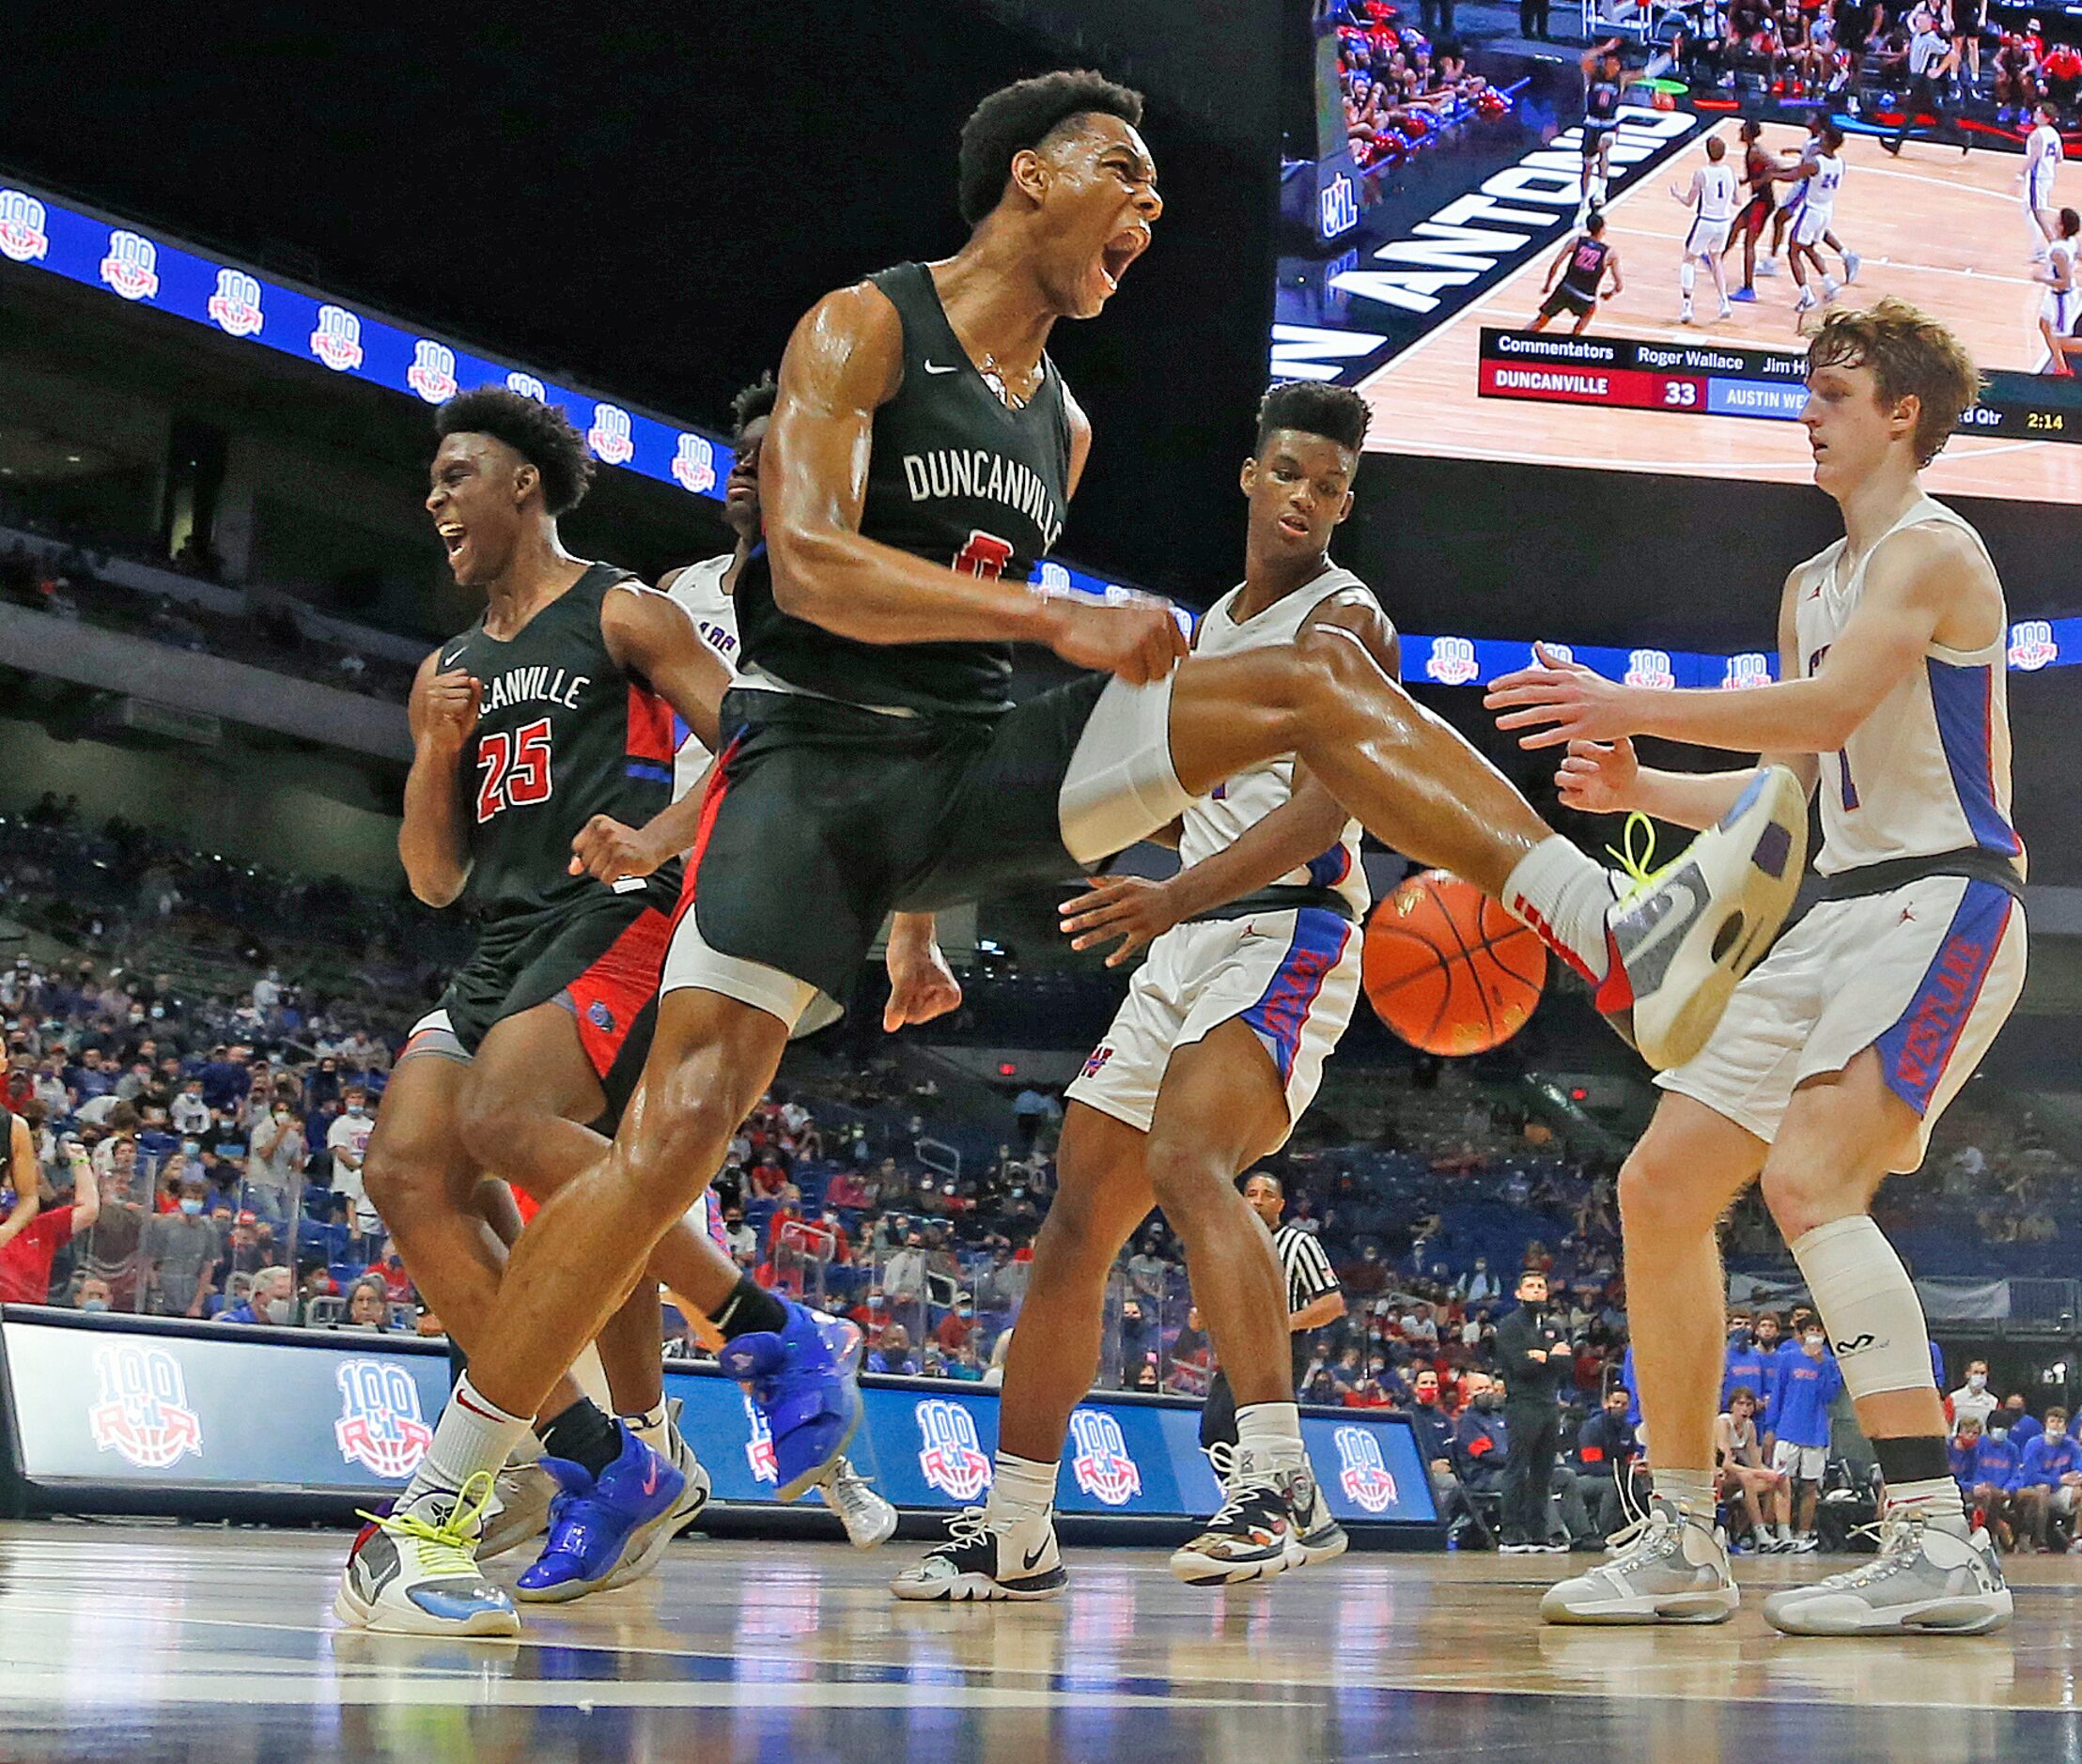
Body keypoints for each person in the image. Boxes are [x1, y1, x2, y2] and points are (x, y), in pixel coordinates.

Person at [392, 68, 1804, 1637]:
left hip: (966, 768)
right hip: (806, 771)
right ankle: (433, 1516)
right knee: (671, 1149)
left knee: (1319, 683)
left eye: (1153, 189)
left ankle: (1607, 924)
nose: (1146, 207)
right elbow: (806, 561)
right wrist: (1047, 619)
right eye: (1118, 172)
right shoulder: (863, 325)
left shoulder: (1059, 422)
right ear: (1022, 179)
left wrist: (925, 913)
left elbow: (986, 667)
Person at [1509, 299, 2023, 1634]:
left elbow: (1828, 710)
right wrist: (1637, 782)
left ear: (1902, 414)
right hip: (1835, 904)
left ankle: (1934, 1538)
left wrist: (1626, 698)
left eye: (1834, 391)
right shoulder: (1809, 585)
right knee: (1663, 1184)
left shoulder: (1934, 553)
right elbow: (1788, 788)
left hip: (1944, 897)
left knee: (1806, 1179)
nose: (1809, 409)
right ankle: (1682, 1534)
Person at [898, 385, 1389, 1599]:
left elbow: (1329, 806)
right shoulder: (1212, 624)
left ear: (1344, 501)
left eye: (1329, 485)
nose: (1305, 497)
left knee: (1188, 1160)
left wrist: (1172, 890)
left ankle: (1277, 1483)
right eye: (1289, 472)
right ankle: (1016, 1526)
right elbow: (1167, 785)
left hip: (1291, 926)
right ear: (1250, 476)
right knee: (1075, 1220)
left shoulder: (1352, 622)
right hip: (1185, 938)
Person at [335, 389, 744, 1637]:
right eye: (433, 480)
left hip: (604, 928)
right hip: (498, 940)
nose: (437, 498)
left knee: (524, 1138)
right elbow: (431, 874)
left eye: (458, 474)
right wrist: (425, 748)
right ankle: (592, 1446)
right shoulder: (447, 668)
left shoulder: (622, 606)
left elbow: (752, 736)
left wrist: (666, 838)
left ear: (524, 484)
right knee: (404, 1170)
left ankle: (750, 1324)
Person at [1495, 1270, 1568, 1554]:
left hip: (1549, 1404)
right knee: (1517, 1469)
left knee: (1543, 1471)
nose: (1536, 1291)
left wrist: (1542, 1356)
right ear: (1518, 1293)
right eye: (1530, 1286)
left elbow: (1567, 1365)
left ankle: (1538, 1534)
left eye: (1541, 1286)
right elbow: (1521, 1366)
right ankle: (1511, 1534)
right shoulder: (1509, 1326)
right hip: (1523, 1404)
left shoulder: (1553, 1325)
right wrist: (1551, 1356)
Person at [0, 1136, 95, 1305]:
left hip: (25, 1321)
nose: (9, 1188)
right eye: (6, 1181)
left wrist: (80, 1160)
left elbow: (89, 1209)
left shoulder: (40, 1228)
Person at [1672, 135, 1739, 325]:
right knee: (1716, 260)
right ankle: (1724, 302)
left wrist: (1677, 194)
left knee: (1688, 260)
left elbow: (1689, 202)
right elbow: (1737, 200)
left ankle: (1687, 306)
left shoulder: (1701, 173)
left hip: (1706, 221)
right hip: (1724, 222)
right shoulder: (1730, 172)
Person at [1788, 126, 1850, 328]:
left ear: (1827, 141)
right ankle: (1830, 283)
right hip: (1826, 209)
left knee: (1793, 251)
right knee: (1808, 248)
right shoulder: (1840, 163)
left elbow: (1794, 175)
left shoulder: (1817, 163)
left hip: (1812, 210)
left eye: (1823, 136)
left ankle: (1806, 296)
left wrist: (1771, 174)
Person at [1716, 1385, 1792, 1549]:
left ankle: (1784, 1533)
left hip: (1739, 1475)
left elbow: (1756, 1462)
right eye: (1740, 1404)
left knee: (1781, 1480)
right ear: (1732, 1406)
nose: (1745, 1409)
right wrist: (1760, 1473)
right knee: (1748, 1477)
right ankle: (1761, 1534)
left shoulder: (1749, 1425)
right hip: (1718, 1477)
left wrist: (1772, 1473)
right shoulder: (1723, 1423)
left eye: (1749, 1405)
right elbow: (1726, 1463)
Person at [1884, 17, 1970, 156]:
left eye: (1921, 21)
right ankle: (1963, 137)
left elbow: (1952, 53)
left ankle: (1896, 144)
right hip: (1916, 78)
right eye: (1917, 21)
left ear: (1929, 24)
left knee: (1914, 112)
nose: (1918, 23)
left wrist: (1939, 70)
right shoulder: (1917, 35)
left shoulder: (1932, 39)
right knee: (1932, 113)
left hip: (1924, 81)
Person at [1530, 212, 1623, 335]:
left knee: (1539, 322)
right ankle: (1572, 348)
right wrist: (1610, 294)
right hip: (1585, 298)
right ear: (1602, 229)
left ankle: (1515, 344)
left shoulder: (1576, 241)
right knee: (1580, 328)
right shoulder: (1610, 254)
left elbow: (1556, 264)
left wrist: (1548, 285)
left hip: (1565, 289)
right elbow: (1619, 286)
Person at [2010, 1406, 2082, 1552]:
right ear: (2045, 1424)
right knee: (2043, 1489)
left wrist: (2077, 1479)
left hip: (2060, 1490)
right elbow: (2031, 1476)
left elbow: (2078, 1468)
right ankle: (2039, 1540)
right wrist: (2058, 1480)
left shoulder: (2071, 1445)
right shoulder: (2034, 1444)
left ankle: (2076, 1537)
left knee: (2079, 1491)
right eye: (2052, 1421)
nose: (2056, 1425)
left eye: (2060, 1421)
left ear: (2066, 1426)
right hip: (2034, 1488)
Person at [1577, 1383, 1643, 1542]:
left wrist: (1636, 1466)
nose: (1620, 1407)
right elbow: (1592, 1465)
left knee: (1640, 1481)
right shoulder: (1592, 1428)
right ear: (1605, 1403)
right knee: (1611, 1485)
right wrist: (1625, 1472)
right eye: (1616, 1403)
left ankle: (1641, 1525)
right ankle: (1605, 1534)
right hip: (1582, 1477)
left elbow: (1630, 1458)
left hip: (1617, 1474)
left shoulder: (1627, 1429)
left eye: (1624, 1404)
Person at [1577, 42, 1624, 222]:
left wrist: (1669, 57)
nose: (1611, 66)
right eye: (1608, 62)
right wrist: (1604, 48)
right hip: (1592, 122)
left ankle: (1601, 190)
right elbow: (1584, 58)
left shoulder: (1622, 79)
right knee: (1588, 165)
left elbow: (1647, 72)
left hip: (1609, 124)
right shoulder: (1593, 75)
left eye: (1615, 63)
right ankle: (1583, 202)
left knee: (1603, 146)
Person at [2033, 209, 2082, 376]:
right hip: (2054, 294)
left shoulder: (2058, 253)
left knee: (2061, 341)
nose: (2054, 221)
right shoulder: (2069, 242)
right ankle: (2061, 366)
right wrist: (2037, 212)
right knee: (2044, 324)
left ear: (2062, 226)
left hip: (2061, 298)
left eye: (2058, 220)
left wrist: (2042, 279)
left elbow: (2065, 282)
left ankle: (2063, 368)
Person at [2024, 102, 2065, 260]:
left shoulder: (2037, 135)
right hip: (2049, 176)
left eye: (2039, 112)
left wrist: (2019, 175)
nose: (2035, 114)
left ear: (2047, 118)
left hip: (2038, 177)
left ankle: (2055, 248)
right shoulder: (2054, 134)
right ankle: (2041, 247)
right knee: (2032, 210)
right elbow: (2059, 158)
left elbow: (2034, 158)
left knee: (2038, 213)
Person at [1949, 1358, 1999, 1429]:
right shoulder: (1953, 1398)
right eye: (1976, 1372)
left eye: (1983, 1373)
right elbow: (1947, 1423)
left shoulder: (1994, 1401)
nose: (1980, 1376)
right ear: (1967, 1374)